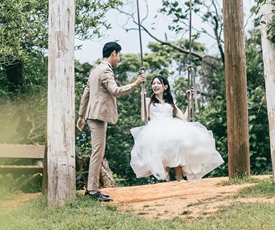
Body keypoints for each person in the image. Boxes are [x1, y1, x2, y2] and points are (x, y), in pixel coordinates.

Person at [77, 41, 146, 201]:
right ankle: (93, 191)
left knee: (97, 152)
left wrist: (81, 116)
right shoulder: (106, 71)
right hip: (98, 117)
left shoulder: (95, 70)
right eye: (119, 55)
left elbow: (85, 94)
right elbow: (115, 91)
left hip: (92, 116)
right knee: (97, 153)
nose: (119, 58)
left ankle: (92, 189)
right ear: (113, 53)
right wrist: (135, 83)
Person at [130, 75, 223, 183]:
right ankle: (168, 177)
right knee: (162, 146)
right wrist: (142, 98)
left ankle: (178, 174)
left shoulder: (170, 104)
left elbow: (184, 118)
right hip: (155, 129)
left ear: (165, 87)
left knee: (178, 141)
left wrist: (190, 101)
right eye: (153, 83)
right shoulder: (148, 101)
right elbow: (143, 118)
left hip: (170, 128)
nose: (155, 85)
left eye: (158, 83)